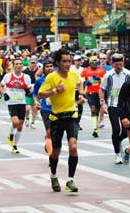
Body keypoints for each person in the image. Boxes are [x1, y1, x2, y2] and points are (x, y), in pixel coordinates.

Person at [38, 49, 85, 193]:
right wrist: (55, 91)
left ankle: (70, 180)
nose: (67, 64)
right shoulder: (51, 77)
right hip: (56, 118)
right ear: (58, 62)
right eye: (64, 61)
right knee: (56, 152)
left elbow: (79, 83)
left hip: (71, 116)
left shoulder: (73, 74)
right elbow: (40, 94)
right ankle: (53, 176)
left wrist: (81, 96)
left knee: (73, 147)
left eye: (69, 61)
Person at [99, 53, 130, 164]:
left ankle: (117, 141)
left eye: (121, 64)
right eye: (117, 64)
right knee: (116, 130)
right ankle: (117, 154)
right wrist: (103, 102)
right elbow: (102, 89)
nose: (119, 67)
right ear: (112, 64)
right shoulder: (108, 75)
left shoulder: (128, 74)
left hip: (126, 105)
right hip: (112, 104)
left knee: (126, 131)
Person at [0, 59, 33, 154]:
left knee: (20, 126)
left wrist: (29, 92)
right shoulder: (8, 76)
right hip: (11, 103)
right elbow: (1, 86)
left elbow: (29, 88)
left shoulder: (26, 77)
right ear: (14, 66)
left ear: (22, 66)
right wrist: (4, 94)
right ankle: (10, 134)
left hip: (21, 102)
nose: (18, 65)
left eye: (20, 64)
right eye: (16, 64)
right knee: (15, 122)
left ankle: (15, 145)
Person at [81, 56, 107, 138]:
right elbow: (81, 80)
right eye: (92, 62)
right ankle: (94, 129)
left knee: (97, 110)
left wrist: (100, 79)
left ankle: (96, 125)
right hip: (90, 93)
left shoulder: (102, 70)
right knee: (93, 110)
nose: (94, 64)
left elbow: (106, 81)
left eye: (96, 62)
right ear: (89, 63)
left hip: (99, 93)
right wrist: (86, 82)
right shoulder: (86, 70)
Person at [34, 61, 56, 154]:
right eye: (47, 67)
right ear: (43, 69)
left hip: (57, 108)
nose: (49, 68)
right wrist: (36, 102)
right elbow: (35, 93)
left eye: (51, 66)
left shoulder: (58, 79)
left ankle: (48, 139)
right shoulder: (40, 81)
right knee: (49, 131)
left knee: (55, 132)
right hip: (45, 109)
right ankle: (51, 156)